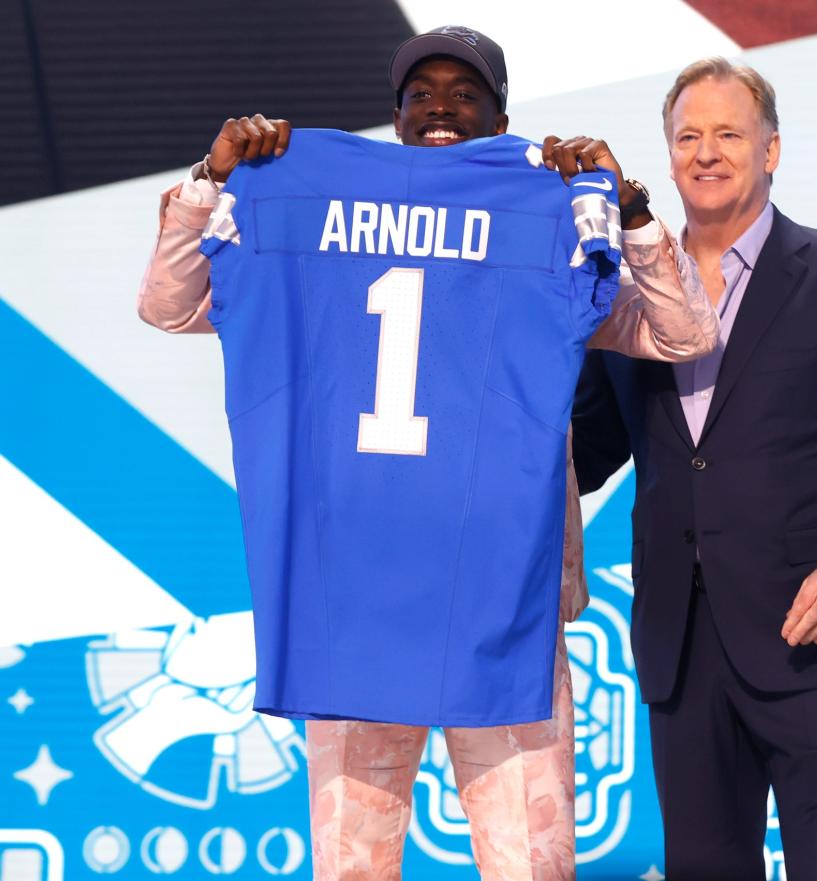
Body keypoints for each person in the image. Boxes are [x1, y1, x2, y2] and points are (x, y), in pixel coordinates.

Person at [137, 26, 717, 881]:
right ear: (396, 116)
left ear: (502, 116)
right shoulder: (305, 207)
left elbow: (686, 331)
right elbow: (165, 303)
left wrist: (623, 208)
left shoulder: (546, 219)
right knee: (353, 863)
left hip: (503, 600)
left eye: (464, 92)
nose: (440, 105)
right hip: (356, 598)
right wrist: (212, 179)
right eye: (421, 92)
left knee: (528, 860)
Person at [571, 57, 817, 880]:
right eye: (688, 137)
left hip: (814, 636)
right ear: (667, 158)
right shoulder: (625, 297)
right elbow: (591, 450)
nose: (707, 153)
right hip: (679, 640)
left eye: (729, 134)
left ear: (770, 151)